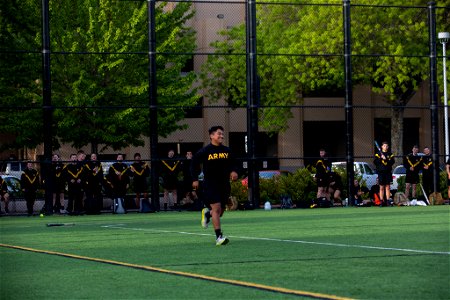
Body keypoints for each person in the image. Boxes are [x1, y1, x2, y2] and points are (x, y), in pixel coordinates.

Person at [191, 126, 238, 246]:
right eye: (218, 134)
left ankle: (207, 213)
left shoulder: (227, 150)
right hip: (210, 184)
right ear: (211, 136)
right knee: (216, 209)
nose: (221, 136)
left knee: (220, 212)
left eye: (222, 134)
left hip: (224, 184)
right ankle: (219, 237)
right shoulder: (205, 151)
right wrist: (195, 179)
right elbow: (194, 163)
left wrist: (234, 171)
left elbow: (233, 163)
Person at [374, 141, 395, 206]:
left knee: (388, 187)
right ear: (382, 147)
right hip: (381, 172)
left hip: (388, 172)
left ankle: (388, 201)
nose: (385, 147)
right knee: (381, 187)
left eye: (386, 146)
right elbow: (375, 162)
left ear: (388, 147)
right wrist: (381, 158)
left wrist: (386, 159)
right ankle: (381, 201)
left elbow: (392, 162)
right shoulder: (378, 154)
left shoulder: (390, 154)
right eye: (384, 146)